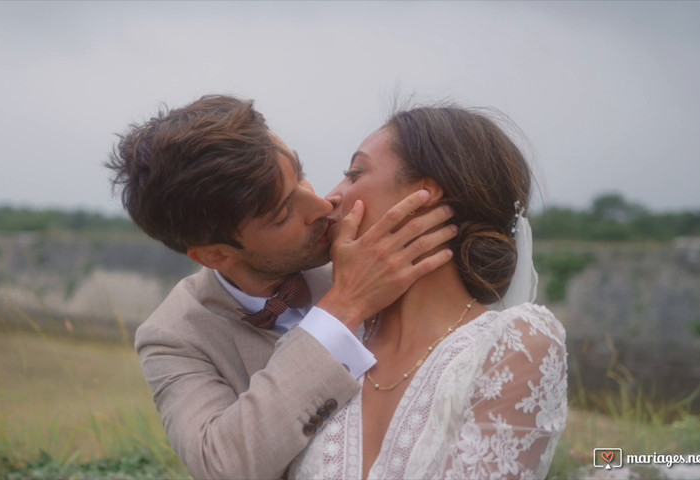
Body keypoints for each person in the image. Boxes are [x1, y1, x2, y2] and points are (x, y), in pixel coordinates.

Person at [106, 95, 458, 480]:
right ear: (215, 255)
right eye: (283, 213)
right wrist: (343, 308)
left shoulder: (375, 258)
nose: (322, 207)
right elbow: (223, 464)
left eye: (301, 174)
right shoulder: (173, 336)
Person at [289, 104, 568, 479]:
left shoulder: (514, 345)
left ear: (426, 193)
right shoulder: (321, 335)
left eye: (355, 173)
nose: (331, 198)